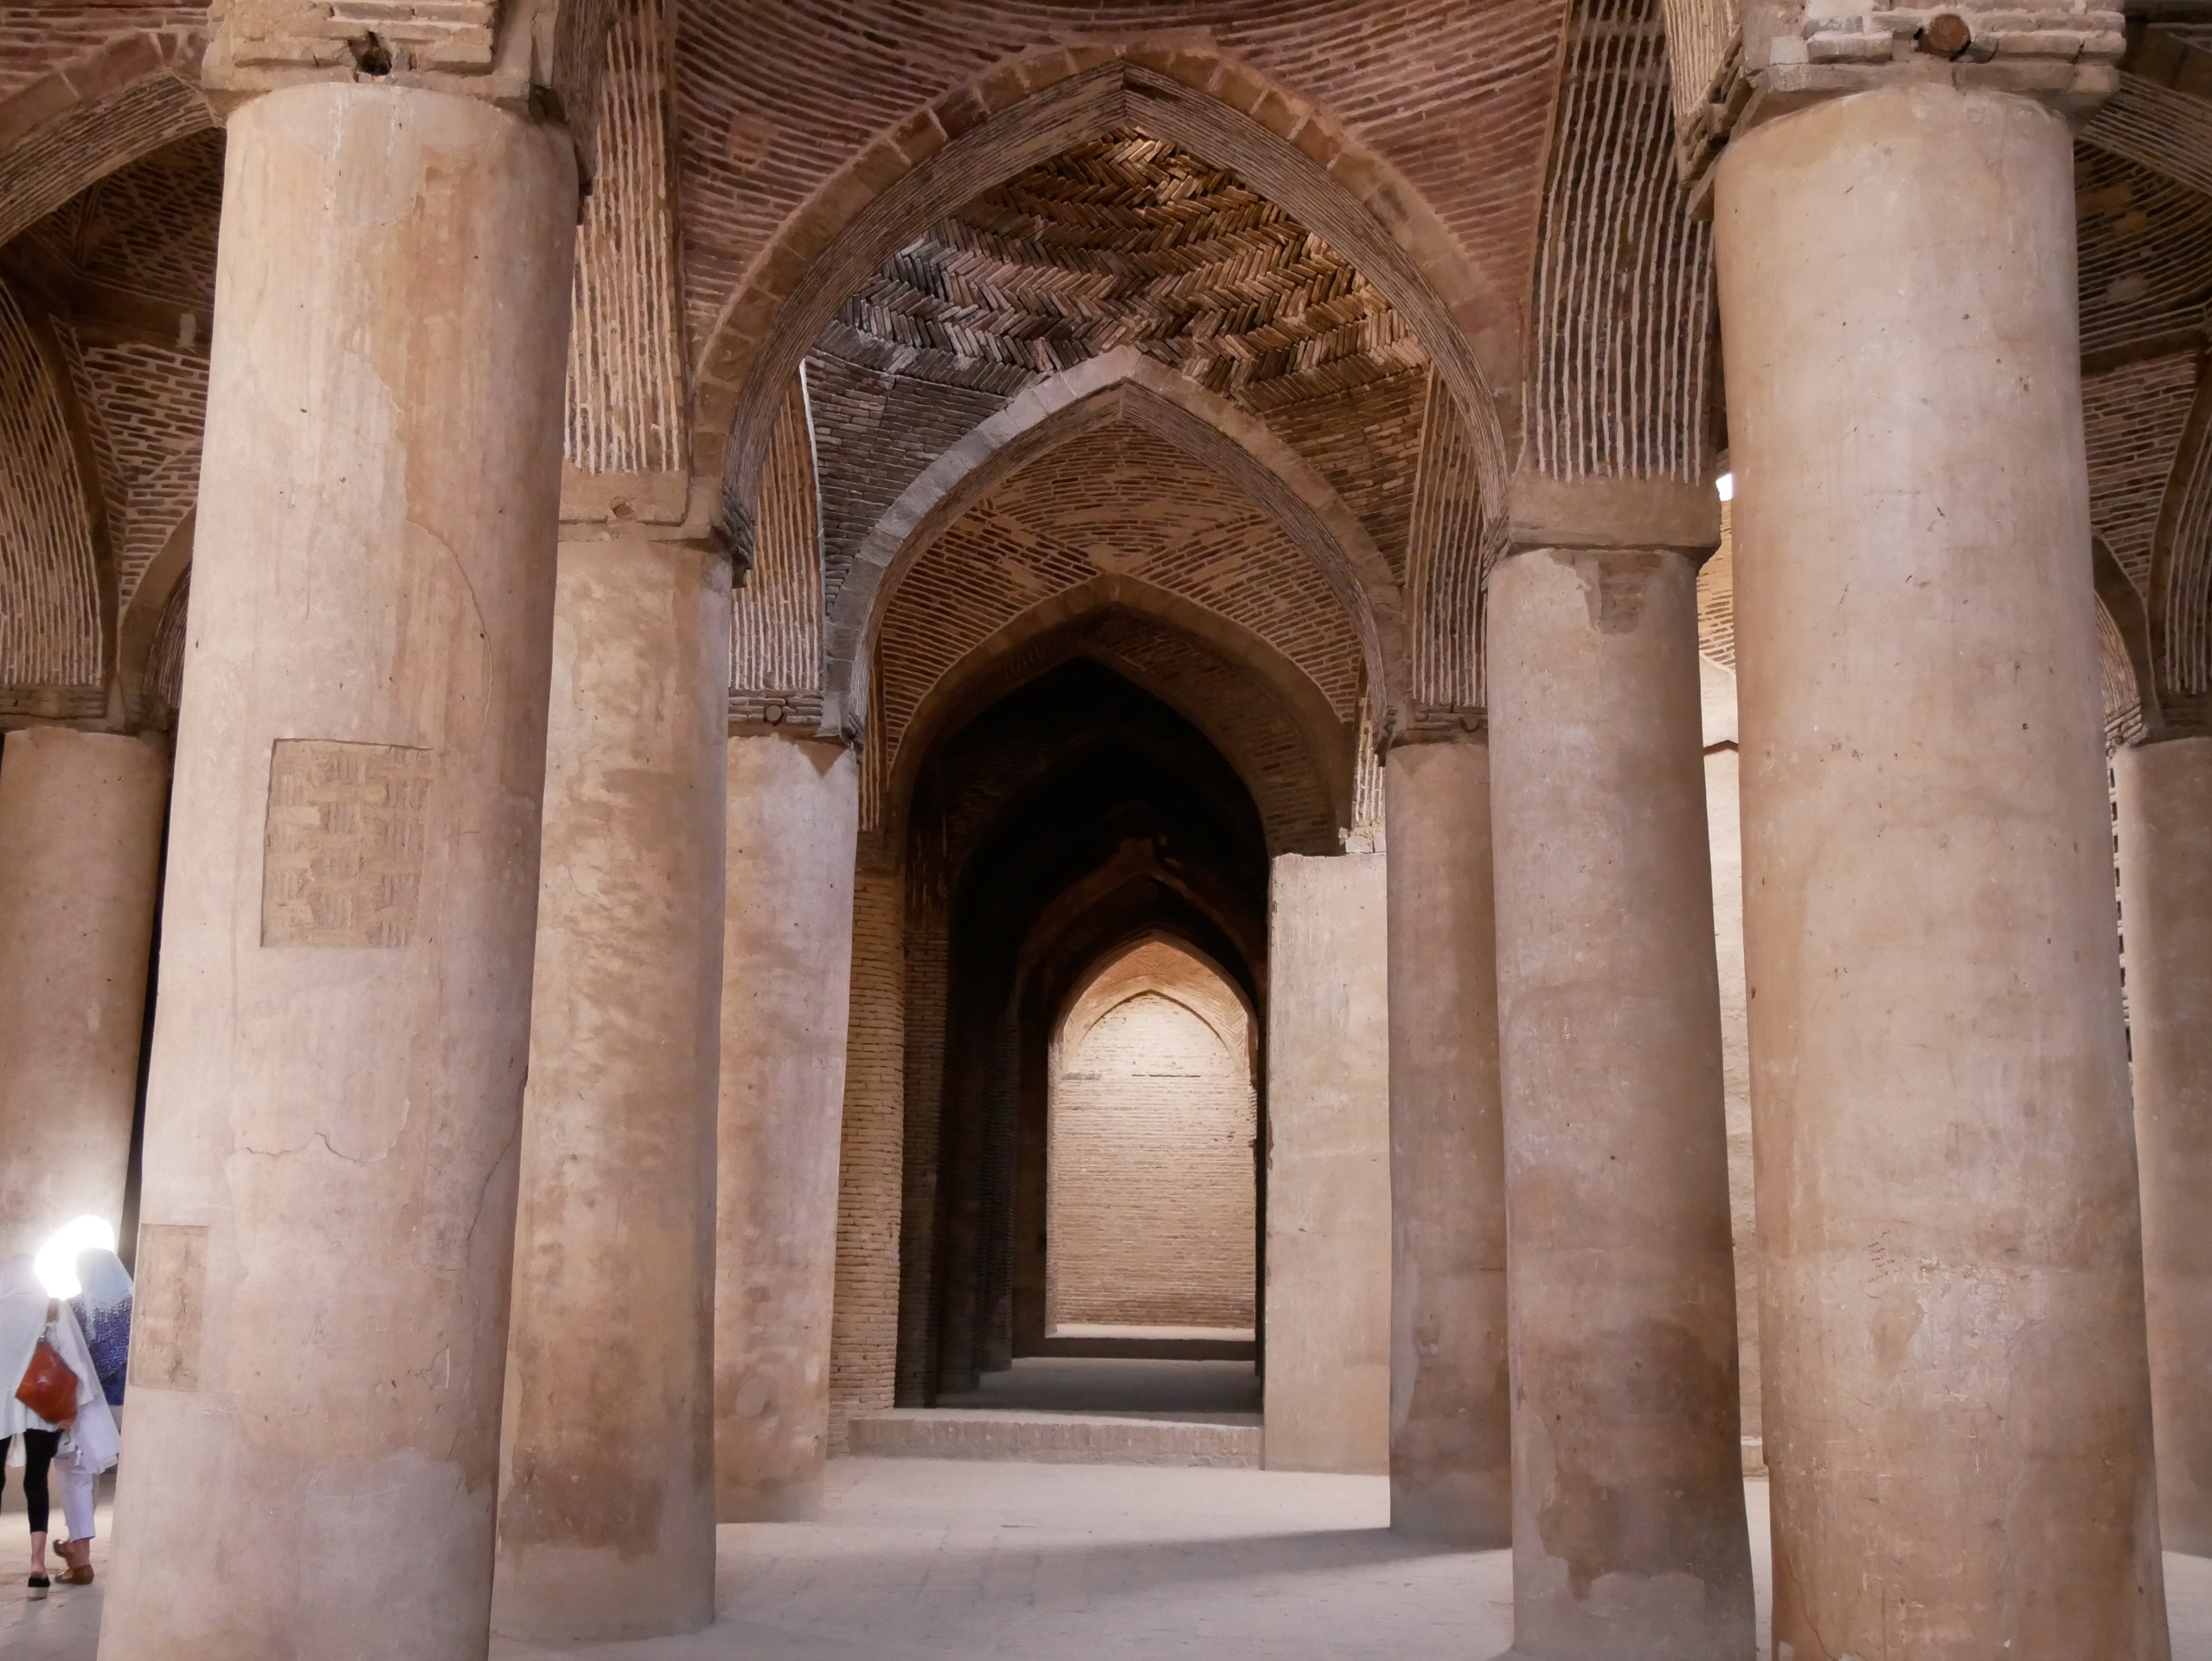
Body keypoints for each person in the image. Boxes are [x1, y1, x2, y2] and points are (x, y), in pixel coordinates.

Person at [50, 1246, 129, 1585]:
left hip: (90, 1406)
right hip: (136, 1407)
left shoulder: (76, 1308)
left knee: (78, 1477)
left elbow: (69, 1358)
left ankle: (80, 1558)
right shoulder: (138, 1302)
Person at [0, 1254, 62, 1598]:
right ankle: (38, 1567)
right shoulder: (53, 1309)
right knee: (36, 1481)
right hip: (41, 1406)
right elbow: (73, 1358)